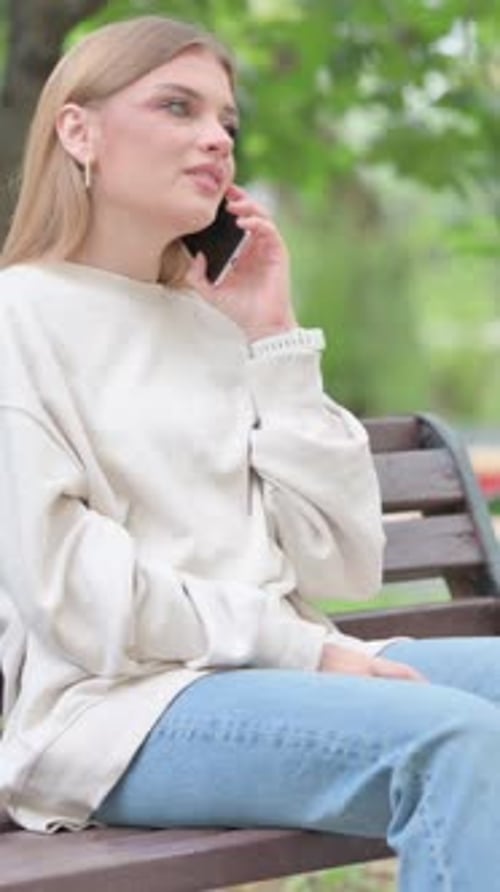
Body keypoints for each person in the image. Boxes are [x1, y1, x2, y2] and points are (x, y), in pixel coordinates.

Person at [0, 14, 499, 890]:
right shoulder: (18, 321)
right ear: (77, 130)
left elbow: (343, 565)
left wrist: (273, 336)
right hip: (114, 716)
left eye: (226, 123)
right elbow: (75, 595)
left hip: (275, 669)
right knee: (453, 742)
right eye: (177, 107)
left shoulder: (212, 325)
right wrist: (305, 652)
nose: (213, 140)